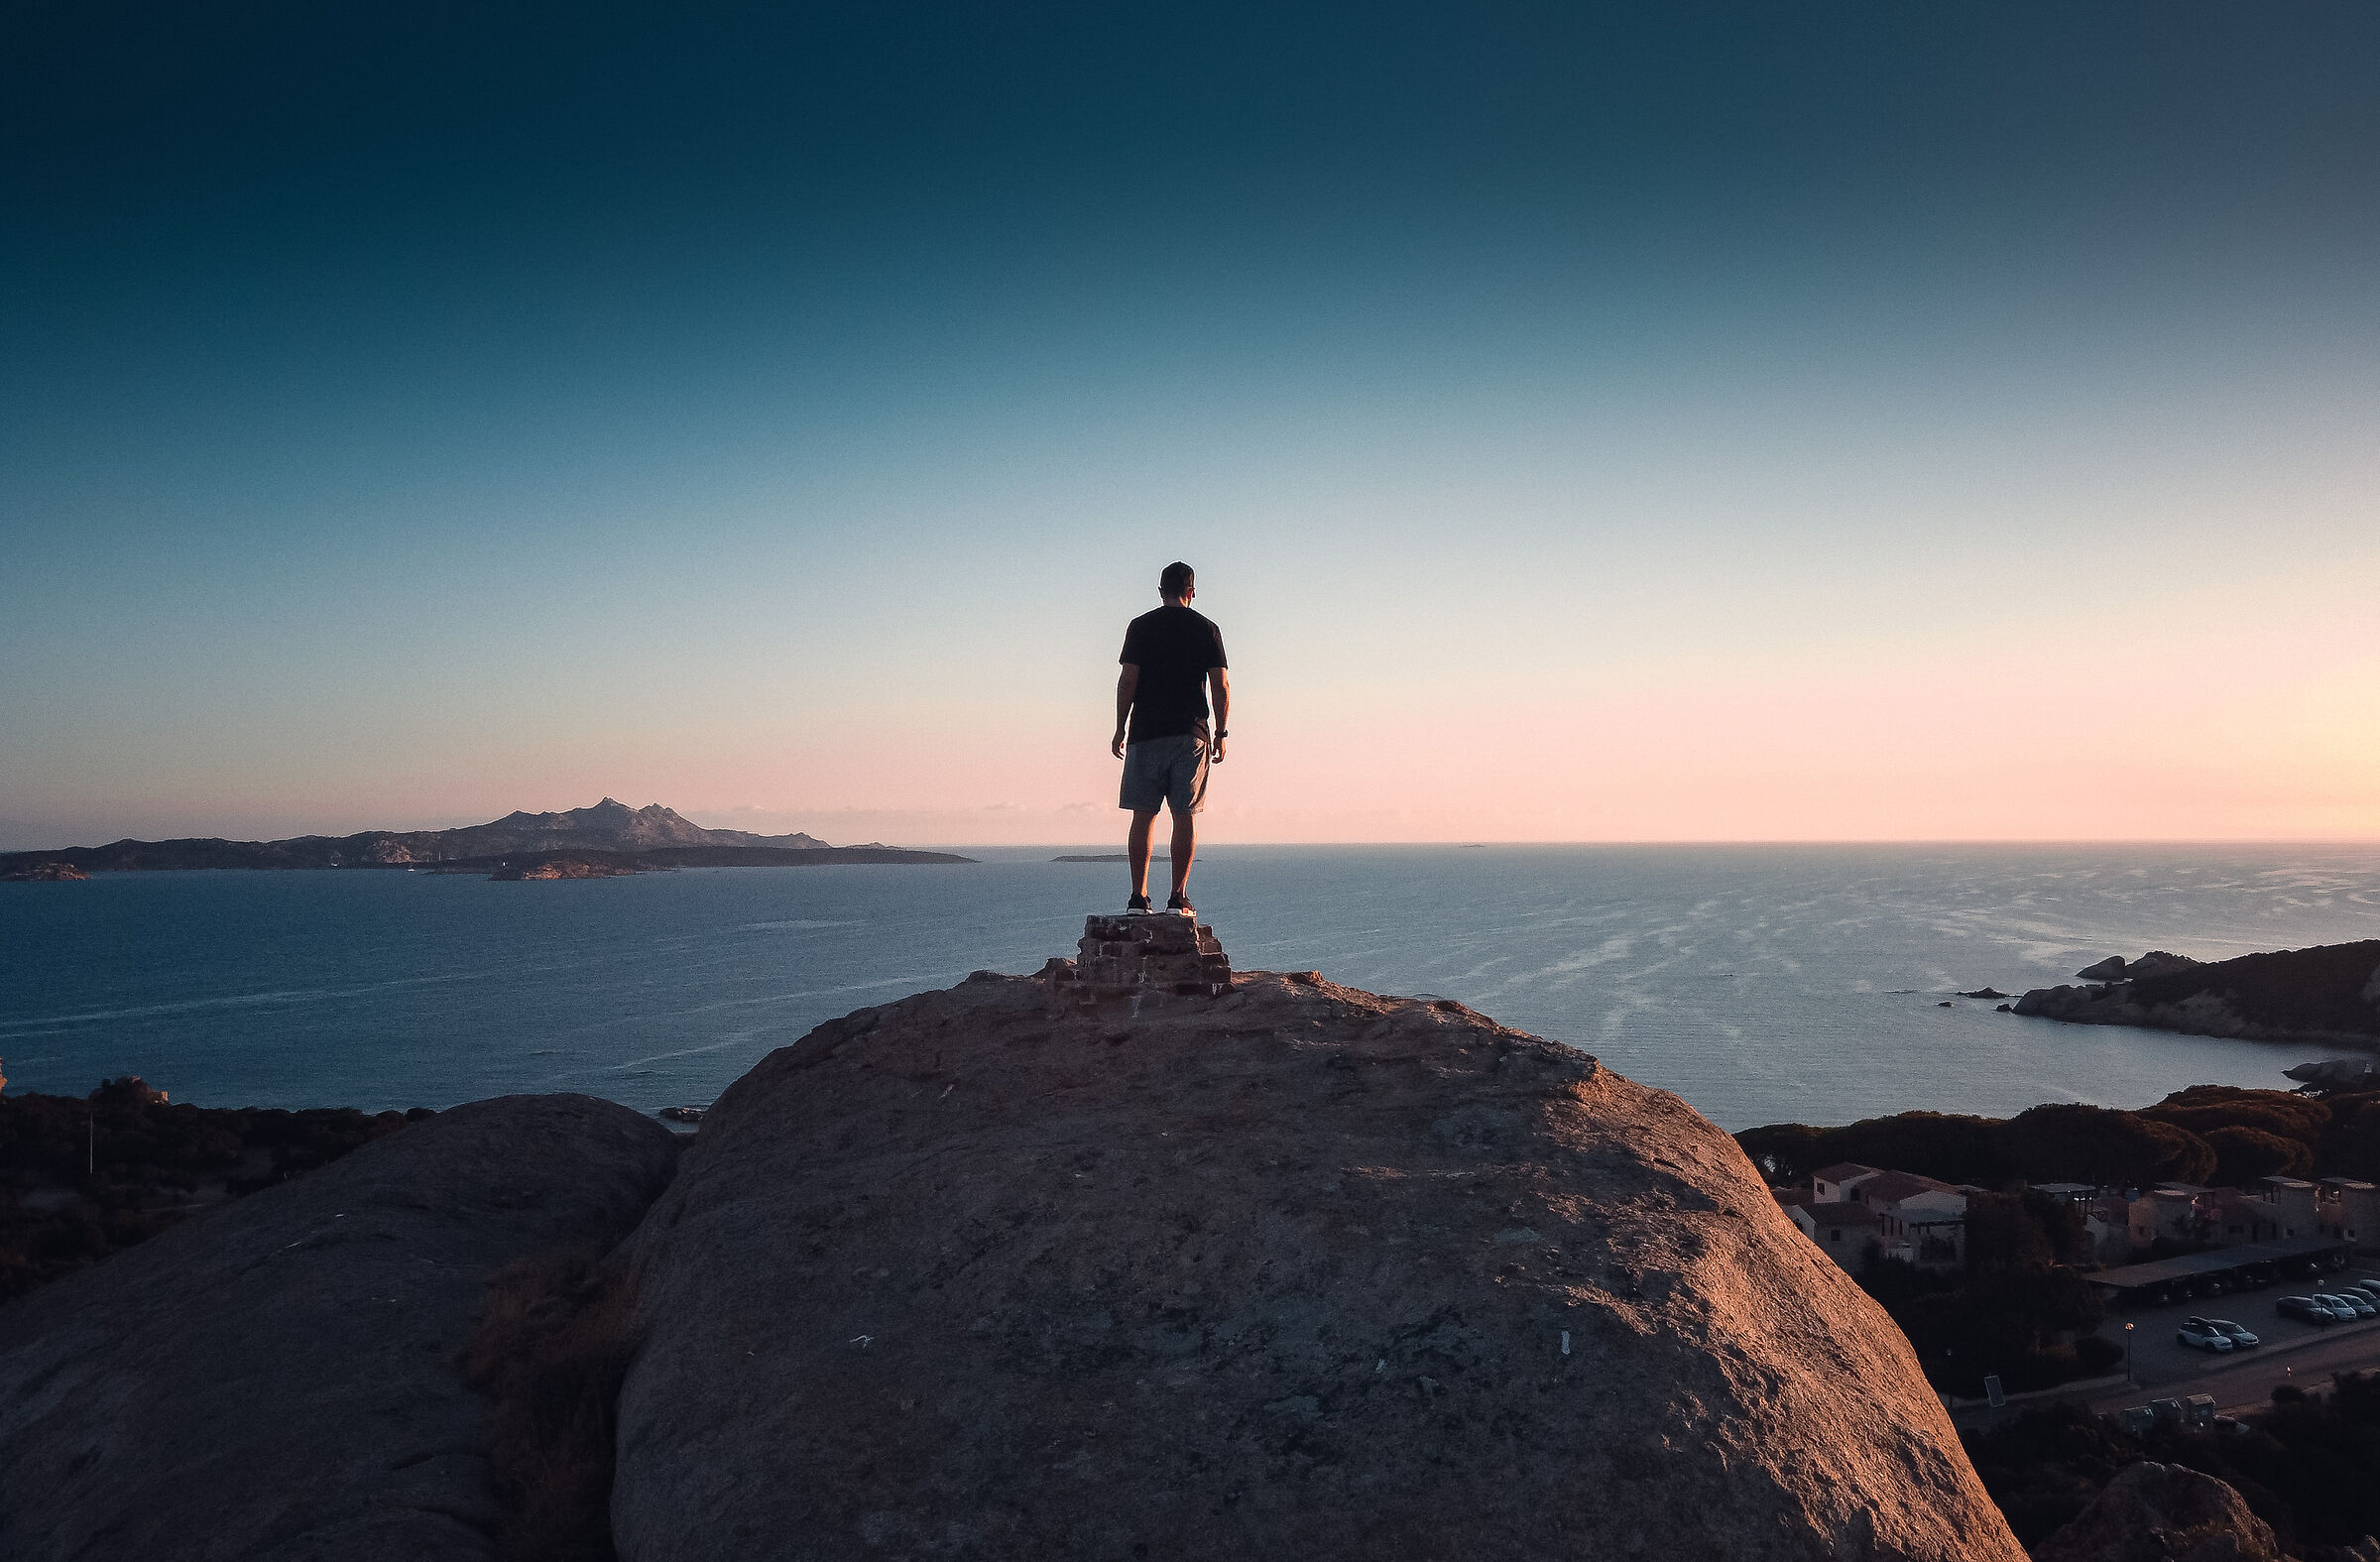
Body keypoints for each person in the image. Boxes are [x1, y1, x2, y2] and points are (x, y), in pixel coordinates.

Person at [1112, 561, 1229, 913]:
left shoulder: (1140, 627)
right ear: (1191, 592)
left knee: (1143, 815)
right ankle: (1178, 898)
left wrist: (1120, 726)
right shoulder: (1207, 629)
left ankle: (1138, 898)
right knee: (1185, 815)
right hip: (1191, 735)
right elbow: (1220, 685)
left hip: (1145, 732)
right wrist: (1221, 732)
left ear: (1161, 590)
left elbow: (1128, 680)